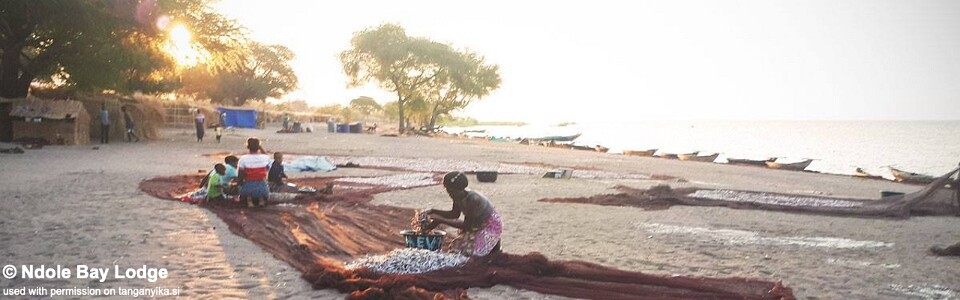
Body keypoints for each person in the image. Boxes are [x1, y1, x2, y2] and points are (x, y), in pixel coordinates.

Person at [423, 171, 503, 256]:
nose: (449, 193)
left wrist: (440, 219)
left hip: (489, 225)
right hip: (475, 224)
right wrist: (433, 212)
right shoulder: (457, 196)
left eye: (451, 190)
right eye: (447, 190)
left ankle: (494, 241)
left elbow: (467, 226)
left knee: (471, 253)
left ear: (459, 189)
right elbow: (454, 214)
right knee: (455, 248)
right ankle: (486, 240)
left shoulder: (473, 199)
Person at [238, 138, 270, 208]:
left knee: (247, 183)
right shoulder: (265, 157)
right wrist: (261, 148)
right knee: (261, 180)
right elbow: (267, 165)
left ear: (248, 147)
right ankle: (261, 201)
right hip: (262, 185)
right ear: (258, 147)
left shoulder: (243, 158)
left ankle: (250, 202)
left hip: (249, 183)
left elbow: (241, 173)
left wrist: (239, 182)